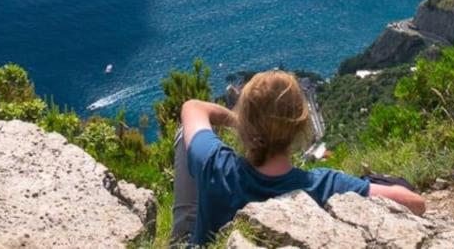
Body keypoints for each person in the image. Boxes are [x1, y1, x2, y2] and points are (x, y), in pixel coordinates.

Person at [171, 70, 425, 246]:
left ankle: (179, 240)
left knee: (188, 135)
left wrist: (236, 122)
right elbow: (415, 203)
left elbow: (192, 107)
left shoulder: (216, 165)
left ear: (247, 124)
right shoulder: (325, 185)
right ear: (299, 126)